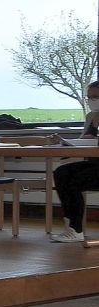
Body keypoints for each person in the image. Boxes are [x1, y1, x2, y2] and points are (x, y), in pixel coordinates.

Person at [50, 80, 99, 243]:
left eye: (96, 97)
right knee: (61, 173)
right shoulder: (91, 116)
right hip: (94, 162)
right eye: (89, 98)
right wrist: (65, 142)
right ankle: (73, 227)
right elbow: (85, 142)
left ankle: (75, 228)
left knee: (75, 181)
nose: (92, 101)